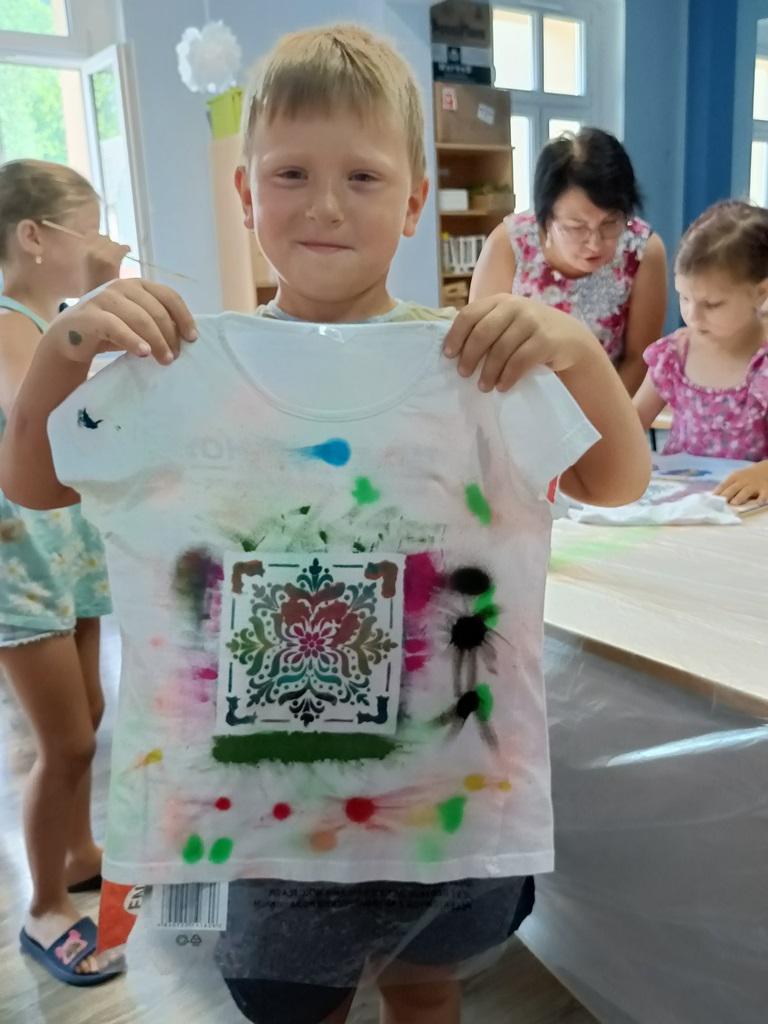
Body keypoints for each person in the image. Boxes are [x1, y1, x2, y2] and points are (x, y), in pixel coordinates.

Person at [0, 26, 650, 1023]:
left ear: (414, 201)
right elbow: (35, 484)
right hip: (256, 827)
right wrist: (67, 345)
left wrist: (577, 350)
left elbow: (616, 478)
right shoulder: (179, 369)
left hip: (437, 804)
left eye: (363, 175)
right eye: (292, 173)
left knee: (427, 993)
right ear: (246, 193)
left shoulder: (473, 363)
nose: (326, 204)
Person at [0, 159, 128, 985]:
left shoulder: (47, 319)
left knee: (91, 711)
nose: (103, 243)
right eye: (89, 229)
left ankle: (79, 852)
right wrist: (98, 303)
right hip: (22, 569)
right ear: (34, 236)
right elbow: (37, 413)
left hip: (65, 556)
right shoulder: (12, 322)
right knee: (67, 741)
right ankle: (45, 904)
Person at [470, 128, 668, 394]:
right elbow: (480, 347)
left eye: (610, 223)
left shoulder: (642, 249)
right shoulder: (508, 244)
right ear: (546, 219)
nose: (594, 243)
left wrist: (603, 415)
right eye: (577, 227)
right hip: (517, 401)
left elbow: (639, 358)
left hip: (605, 401)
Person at [634, 200, 768, 506]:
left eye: (712, 304)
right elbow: (630, 422)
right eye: (684, 297)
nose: (692, 316)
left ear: (760, 292)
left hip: (748, 509)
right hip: (678, 505)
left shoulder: (763, 363)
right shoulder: (674, 354)